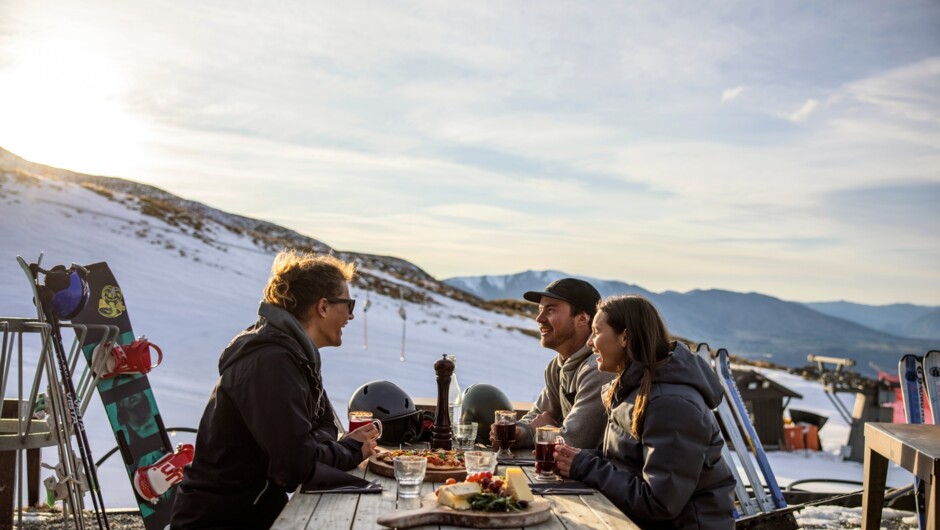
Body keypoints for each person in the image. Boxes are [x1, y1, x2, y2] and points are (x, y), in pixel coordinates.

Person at [171, 250, 379, 529]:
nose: (351, 316)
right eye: (348, 304)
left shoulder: (297, 356)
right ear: (323, 306)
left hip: (255, 511)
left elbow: (326, 425)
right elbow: (294, 467)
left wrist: (313, 445)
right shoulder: (272, 362)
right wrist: (351, 449)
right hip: (221, 520)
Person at [553, 295, 736, 529]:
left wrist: (586, 466)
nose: (589, 342)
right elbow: (628, 463)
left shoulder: (671, 405)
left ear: (625, 337)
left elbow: (659, 504)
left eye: (596, 332)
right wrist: (577, 459)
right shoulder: (633, 390)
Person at [490, 278, 614, 449]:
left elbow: (575, 441)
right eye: (540, 310)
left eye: (550, 310)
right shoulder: (556, 367)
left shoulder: (599, 367)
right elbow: (538, 414)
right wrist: (518, 432)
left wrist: (535, 430)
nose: (539, 318)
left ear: (582, 319)